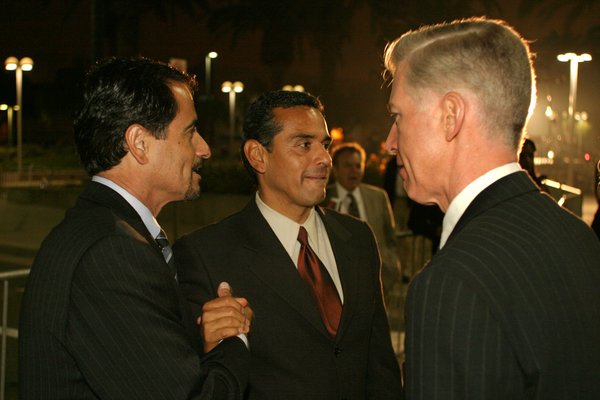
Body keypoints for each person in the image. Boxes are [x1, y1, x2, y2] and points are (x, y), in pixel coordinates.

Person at [383, 17, 600, 399]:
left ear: (451, 115)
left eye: (397, 117)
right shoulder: (577, 236)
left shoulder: (451, 282)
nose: (389, 142)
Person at [19, 57, 252, 399]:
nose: (204, 148)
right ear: (139, 143)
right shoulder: (111, 252)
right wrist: (234, 340)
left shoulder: (105, 232)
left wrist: (203, 340)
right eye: (190, 132)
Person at [174, 90, 403, 400]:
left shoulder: (358, 239)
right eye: (303, 144)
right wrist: (208, 344)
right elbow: (189, 379)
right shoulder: (206, 254)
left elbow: (381, 367)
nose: (323, 159)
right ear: (258, 155)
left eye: (324, 145)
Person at [323, 142, 401, 306]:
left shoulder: (378, 197)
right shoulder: (322, 198)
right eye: (347, 166)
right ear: (335, 169)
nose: (354, 171)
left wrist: (391, 267)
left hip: (376, 285)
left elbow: (390, 238)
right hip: (336, 289)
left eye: (358, 165)